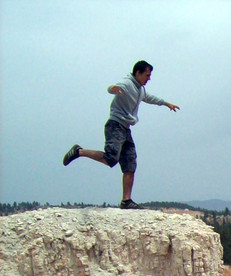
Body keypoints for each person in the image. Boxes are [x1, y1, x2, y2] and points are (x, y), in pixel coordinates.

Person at [63, 60, 179, 209]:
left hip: (126, 129)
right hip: (115, 125)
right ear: (138, 73)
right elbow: (111, 88)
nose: (149, 78)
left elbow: (150, 98)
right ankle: (79, 151)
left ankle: (126, 200)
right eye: (147, 75)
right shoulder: (127, 83)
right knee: (111, 158)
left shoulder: (140, 90)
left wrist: (166, 103)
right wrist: (113, 88)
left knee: (130, 164)